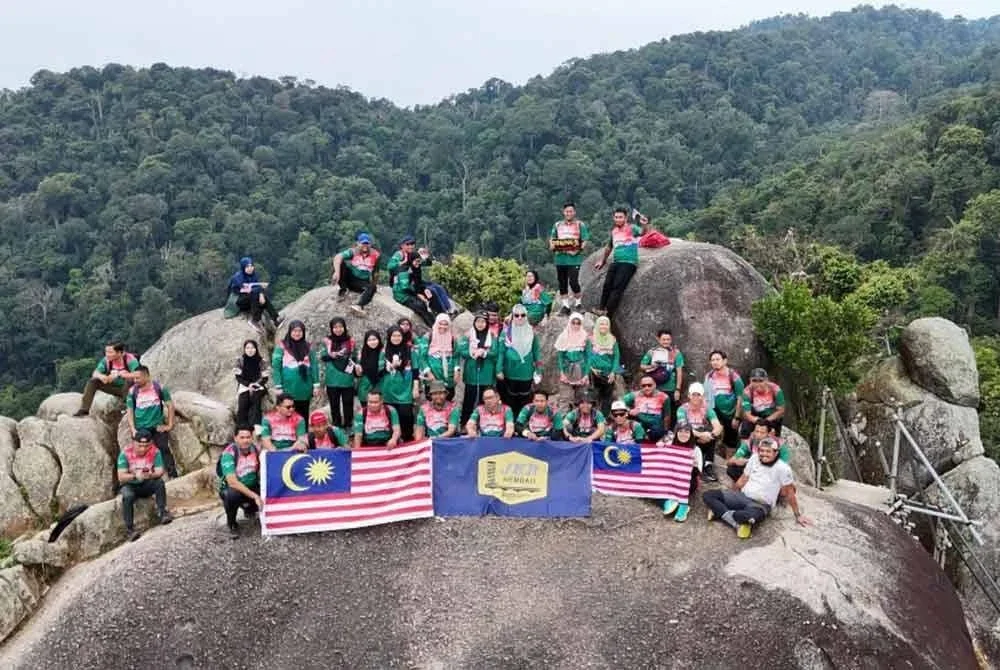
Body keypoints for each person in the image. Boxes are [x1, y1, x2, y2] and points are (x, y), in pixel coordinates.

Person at [704, 438, 810, 538]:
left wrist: (798, 515)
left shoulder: (783, 468)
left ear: (776, 452)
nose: (764, 454)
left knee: (747, 517)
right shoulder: (754, 458)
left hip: (761, 504)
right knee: (708, 495)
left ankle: (720, 512)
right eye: (762, 450)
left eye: (768, 451)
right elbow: (742, 479)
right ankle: (734, 523)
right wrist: (732, 494)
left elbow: (790, 493)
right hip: (743, 496)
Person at [117, 428, 172, 542]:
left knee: (159, 483)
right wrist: (134, 476)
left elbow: (159, 471)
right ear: (134, 443)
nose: (143, 449)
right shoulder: (125, 454)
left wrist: (150, 475)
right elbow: (121, 476)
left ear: (150, 444)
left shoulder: (155, 451)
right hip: (130, 484)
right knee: (127, 496)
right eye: (139, 445)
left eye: (146, 445)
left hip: (146, 482)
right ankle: (130, 529)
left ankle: (163, 513)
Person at [594, 207, 650, 316]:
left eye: (620, 217)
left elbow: (643, 233)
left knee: (617, 287)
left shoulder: (632, 228)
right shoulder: (614, 231)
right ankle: (600, 308)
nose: (618, 219)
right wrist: (603, 261)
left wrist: (644, 225)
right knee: (607, 285)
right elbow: (609, 247)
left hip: (628, 262)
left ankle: (607, 314)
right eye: (616, 217)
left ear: (626, 218)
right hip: (616, 261)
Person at [126, 366, 177, 478]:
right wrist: (133, 429)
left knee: (164, 448)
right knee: (142, 452)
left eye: (138, 378)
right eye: (134, 378)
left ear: (147, 376)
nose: (135, 381)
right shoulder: (132, 391)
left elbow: (170, 405)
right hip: (141, 427)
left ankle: (172, 475)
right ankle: (144, 477)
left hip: (157, 426)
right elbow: (129, 411)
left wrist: (169, 425)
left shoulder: (159, 388)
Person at [217, 425, 262, 538]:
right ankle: (231, 523)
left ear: (252, 438)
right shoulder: (229, 454)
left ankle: (249, 509)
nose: (246, 440)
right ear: (235, 438)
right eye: (242, 437)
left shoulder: (256, 449)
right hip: (233, 488)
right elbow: (232, 482)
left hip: (252, 485)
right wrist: (255, 496)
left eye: (248, 437)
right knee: (232, 495)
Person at [74, 341, 141, 416]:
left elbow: (138, 374)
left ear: (119, 353)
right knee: (93, 381)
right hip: (116, 388)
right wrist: (102, 377)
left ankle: (127, 407)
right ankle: (84, 409)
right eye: (106, 352)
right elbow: (95, 373)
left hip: (131, 390)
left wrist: (121, 374)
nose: (107, 354)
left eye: (110, 352)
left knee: (130, 380)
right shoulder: (107, 360)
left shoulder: (130, 360)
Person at [498, 305, 542, 416]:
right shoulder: (506, 333)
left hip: (526, 372)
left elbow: (537, 353)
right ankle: (510, 423)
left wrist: (539, 371)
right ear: (512, 316)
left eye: (522, 315)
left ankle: (522, 423)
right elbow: (501, 352)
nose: (519, 318)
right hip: (510, 371)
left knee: (525, 399)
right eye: (516, 315)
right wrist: (498, 370)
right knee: (509, 399)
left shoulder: (532, 333)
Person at [272, 320, 320, 420]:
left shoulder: (308, 347)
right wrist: (278, 386)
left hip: (305, 387)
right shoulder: (282, 346)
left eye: (300, 331)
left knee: (303, 416)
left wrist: (316, 385)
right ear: (289, 331)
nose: (297, 333)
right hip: (288, 387)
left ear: (303, 332)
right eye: (294, 331)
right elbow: (276, 367)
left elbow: (314, 366)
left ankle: (303, 434)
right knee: (288, 414)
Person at [676, 382, 724, 482]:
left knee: (709, 431)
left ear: (702, 396)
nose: (696, 397)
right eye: (694, 394)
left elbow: (718, 426)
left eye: (699, 395)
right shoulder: (682, 409)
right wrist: (701, 435)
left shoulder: (707, 409)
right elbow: (683, 427)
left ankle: (708, 465)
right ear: (689, 395)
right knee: (685, 431)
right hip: (687, 437)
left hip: (704, 438)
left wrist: (711, 435)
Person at [458, 312, 499, 425]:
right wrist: (472, 352)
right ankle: (464, 423)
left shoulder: (492, 336)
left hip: (486, 373)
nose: (480, 324)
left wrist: (484, 353)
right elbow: (462, 351)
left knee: (485, 399)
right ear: (474, 322)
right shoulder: (468, 335)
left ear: (487, 323)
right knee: (469, 399)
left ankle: (484, 423)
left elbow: (495, 352)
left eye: (483, 322)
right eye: (478, 321)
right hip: (472, 371)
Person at [549, 202, 590, 315]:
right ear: (563, 212)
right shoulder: (557, 225)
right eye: (567, 211)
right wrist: (552, 246)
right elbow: (552, 239)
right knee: (562, 283)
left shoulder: (579, 224)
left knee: (573, 281)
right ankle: (565, 306)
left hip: (574, 259)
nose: (569, 213)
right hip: (560, 258)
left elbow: (585, 240)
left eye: (571, 211)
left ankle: (578, 303)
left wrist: (578, 250)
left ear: (574, 212)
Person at [386, 235, 436, 327]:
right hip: (401, 293)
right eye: (408, 244)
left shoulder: (412, 256)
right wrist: (401, 263)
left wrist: (427, 257)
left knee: (424, 303)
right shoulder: (400, 254)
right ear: (402, 245)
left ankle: (435, 325)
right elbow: (389, 266)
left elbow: (426, 262)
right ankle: (433, 327)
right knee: (420, 307)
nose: (411, 246)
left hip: (408, 289)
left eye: (412, 244)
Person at [382, 325, 421, 441]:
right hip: (388, 390)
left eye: (399, 335)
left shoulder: (410, 350)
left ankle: (407, 439)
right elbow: (379, 370)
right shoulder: (383, 351)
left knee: (406, 416)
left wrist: (415, 387)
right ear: (389, 337)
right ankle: (392, 441)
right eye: (393, 335)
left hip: (405, 390)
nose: (396, 338)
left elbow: (415, 370)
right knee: (390, 418)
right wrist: (391, 366)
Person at [704, 350, 745, 459]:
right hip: (715, 410)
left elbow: (740, 397)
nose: (715, 362)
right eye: (712, 360)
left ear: (725, 361)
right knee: (712, 435)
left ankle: (728, 464)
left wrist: (737, 417)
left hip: (731, 412)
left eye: (718, 359)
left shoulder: (734, 377)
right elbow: (707, 396)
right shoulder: (709, 376)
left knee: (730, 439)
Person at [657, 422, 699, 523]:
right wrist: (659, 448)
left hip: (687, 482)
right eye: (680, 431)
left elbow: (696, 475)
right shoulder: (669, 445)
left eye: (687, 431)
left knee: (683, 486)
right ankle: (668, 503)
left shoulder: (696, 449)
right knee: (654, 489)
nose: (683, 434)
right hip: (670, 479)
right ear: (676, 433)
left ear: (691, 434)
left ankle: (683, 505)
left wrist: (694, 465)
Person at [640, 329, 685, 421]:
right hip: (655, 389)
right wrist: (652, 366)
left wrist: (677, 389)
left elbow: (679, 372)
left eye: (668, 339)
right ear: (658, 339)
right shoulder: (652, 352)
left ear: (671, 340)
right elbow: (642, 366)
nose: (666, 342)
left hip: (670, 388)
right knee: (656, 412)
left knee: (671, 413)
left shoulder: (676, 353)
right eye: (663, 339)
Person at [226, 256, 281, 331]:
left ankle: (276, 319)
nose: (250, 268)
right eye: (247, 266)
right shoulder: (238, 277)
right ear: (243, 267)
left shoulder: (253, 275)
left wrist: (261, 293)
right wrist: (260, 289)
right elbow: (247, 290)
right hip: (238, 301)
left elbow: (256, 287)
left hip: (250, 300)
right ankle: (255, 320)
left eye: (251, 266)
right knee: (255, 293)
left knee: (262, 297)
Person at [331, 232, 380, 315]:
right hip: (350, 277)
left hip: (362, 281)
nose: (365, 245)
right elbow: (338, 257)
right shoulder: (353, 251)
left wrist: (374, 284)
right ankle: (343, 289)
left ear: (370, 244)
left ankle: (359, 305)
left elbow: (376, 271)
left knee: (372, 287)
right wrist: (337, 272)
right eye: (363, 243)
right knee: (340, 264)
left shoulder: (375, 255)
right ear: (358, 243)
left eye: (367, 243)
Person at [320, 318, 356, 430]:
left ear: (344, 327)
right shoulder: (327, 341)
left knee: (348, 404)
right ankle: (337, 427)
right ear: (331, 329)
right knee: (334, 405)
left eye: (340, 326)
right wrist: (331, 355)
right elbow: (322, 356)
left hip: (347, 378)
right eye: (335, 327)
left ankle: (348, 426)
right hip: (332, 379)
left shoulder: (350, 341)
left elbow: (354, 357)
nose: (338, 329)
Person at [726, 419, 791, 481]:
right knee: (731, 469)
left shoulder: (780, 446)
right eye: (757, 431)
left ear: (769, 433)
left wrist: (749, 461)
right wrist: (736, 461)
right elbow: (729, 462)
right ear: (753, 432)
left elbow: (784, 468)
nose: (759, 435)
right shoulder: (749, 442)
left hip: (770, 473)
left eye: (762, 433)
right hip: (754, 471)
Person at [415, 314, 459, 400]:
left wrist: (457, 370)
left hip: (448, 375)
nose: (443, 326)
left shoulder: (452, 337)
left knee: (448, 397)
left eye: (446, 324)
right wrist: (428, 372)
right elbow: (422, 357)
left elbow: (456, 355)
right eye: (440, 323)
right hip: (433, 374)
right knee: (432, 397)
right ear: (436, 323)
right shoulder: (428, 337)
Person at [586, 316, 621, 415]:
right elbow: (586, 355)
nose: (604, 326)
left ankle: (604, 418)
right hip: (593, 373)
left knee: (607, 397)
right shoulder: (591, 339)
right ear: (597, 325)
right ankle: (591, 417)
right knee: (592, 395)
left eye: (606, 324)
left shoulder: (612, 340)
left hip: (608, 373)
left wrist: (613, 372)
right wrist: (591, 368)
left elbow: (616, 357)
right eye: (601, 324)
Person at [554, 312, 590, 411]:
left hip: (581, 369)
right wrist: (562, 372)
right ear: (570, 323)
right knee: (565, 397)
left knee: (582, 397)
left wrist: (586, 374)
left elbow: (588, 357)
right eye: (573, 322)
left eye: (578, 323)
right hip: (567, 369)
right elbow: (560, 357)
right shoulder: (563, 337)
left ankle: (581, 421)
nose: (575, 325)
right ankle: (564, 422)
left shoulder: (585, 337)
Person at [622, 375, 670, 443]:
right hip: (639, 422)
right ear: (640, 386)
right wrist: (629, 410)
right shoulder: (635, 395)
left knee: (657, 432)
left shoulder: (664, 397)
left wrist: (666, 431)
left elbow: (667, 416)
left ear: (655, 385)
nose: (646, 388)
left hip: (655, 425)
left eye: (649, 385)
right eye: (643, 386)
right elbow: (620, 402)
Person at [740, 368, 787, 437]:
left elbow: (781, 410)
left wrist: (767, 420)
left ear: (766, 380)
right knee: (745, 430)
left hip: (771, 415)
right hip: (755, 415)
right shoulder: (747, 392)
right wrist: (757, 420)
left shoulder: (776, 390)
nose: (757, 384)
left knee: (774, 435)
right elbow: (747, 414)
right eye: (754, 381)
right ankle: (744, 446)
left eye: (761, 381)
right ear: (750, 381)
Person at [409, 251, 455, 317]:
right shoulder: (408, 269)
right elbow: (409, 285)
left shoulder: (417, 264)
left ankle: (449, 309)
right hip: (416, 288)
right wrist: (418, 294)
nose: (418, 264)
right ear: (411, 261)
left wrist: (427, 257)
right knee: (432, 291)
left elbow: (429, 263)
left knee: (439, 287)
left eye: (419, 261)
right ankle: (443, 312)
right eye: (416, 261)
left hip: (421, 283)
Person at [234, 339, 268, 428]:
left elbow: (265, 377)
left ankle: (255, 426)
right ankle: (241, 427)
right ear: (244, 349)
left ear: (256, 349)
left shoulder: (262, 361)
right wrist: (248, 384)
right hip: (245, 385)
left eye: (252, 348)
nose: (250, 350)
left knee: (256, 399)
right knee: (243, 402)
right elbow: (238, 377)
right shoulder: (240, 360)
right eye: (247, 348)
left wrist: (256, 384)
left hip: (259, 384)